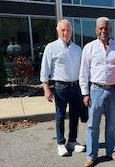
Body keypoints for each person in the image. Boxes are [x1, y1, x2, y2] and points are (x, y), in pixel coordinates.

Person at [79, 16, 115, 167]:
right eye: (100, 28)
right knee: (93, 125)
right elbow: (84, 72)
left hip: (114, 91)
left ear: (110, 30)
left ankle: (111, 152)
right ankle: (91, 156)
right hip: (95, 90)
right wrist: (85, 93)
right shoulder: (89, 48)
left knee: (112, 125)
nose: (103, 30)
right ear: (96, 30)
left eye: (106, 28)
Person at [40, 19, 85, 157]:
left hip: (76, 87)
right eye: (63, 30)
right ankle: (60, 143)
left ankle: (72, 141)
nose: (66, 33)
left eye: (68, 30)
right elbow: (45, 69)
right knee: (60, 116)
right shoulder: (51, 47)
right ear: (58, 31)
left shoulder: (78, 49)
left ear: (71, 31)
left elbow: (83, 70)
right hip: (61, 87)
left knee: (74, 115)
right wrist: (46, 88)